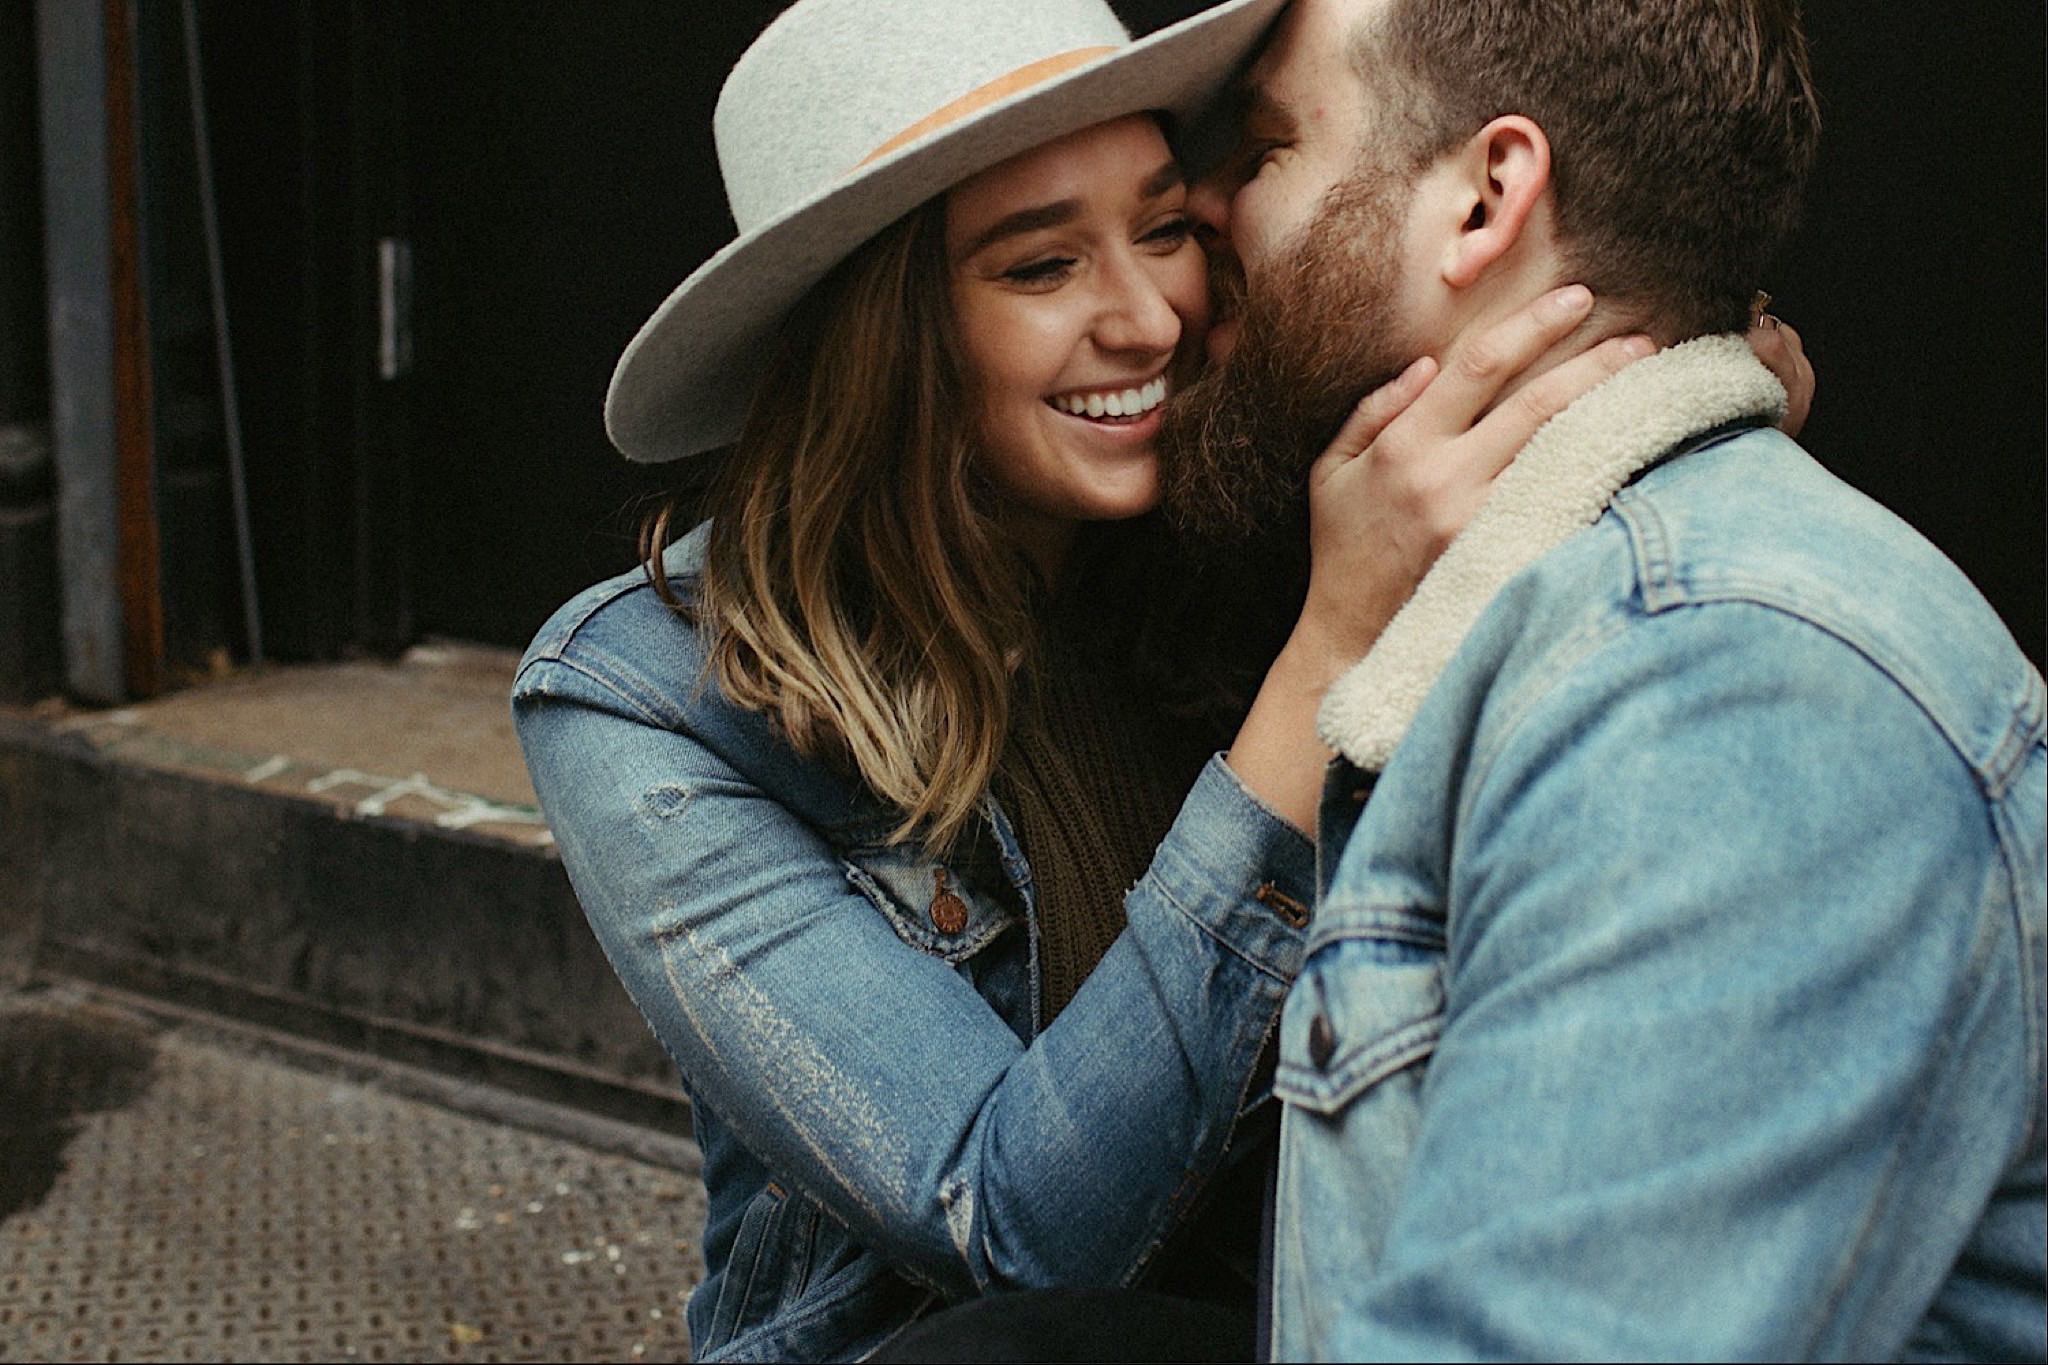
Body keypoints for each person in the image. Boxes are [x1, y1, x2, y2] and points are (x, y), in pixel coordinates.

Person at [508, 0, 1748, 1358]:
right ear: (888, 338)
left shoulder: (1245, 504)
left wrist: (1681, 403)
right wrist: (1321, 656)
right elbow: (1011, 1224)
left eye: (1165, 230)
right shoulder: (642, 696)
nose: (1150, 315)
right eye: (1043, 268)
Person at [1140, 0, 2045, 1358]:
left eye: (1265, 146)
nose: (1203, 200)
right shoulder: (1561, 624)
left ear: (1488, 197)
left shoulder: (1729, 691)